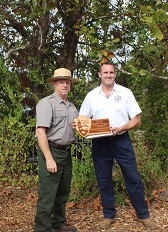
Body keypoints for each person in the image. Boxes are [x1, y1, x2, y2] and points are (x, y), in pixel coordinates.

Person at [79, 62, 157, 230]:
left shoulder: (125, 93)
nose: (108, 75)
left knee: (133, 177)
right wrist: (79, 126)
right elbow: (83, 120)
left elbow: (137, 119)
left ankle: (143, 215)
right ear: (99, 75)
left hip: (121, 140)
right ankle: (108, 214)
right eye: (105, 72)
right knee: (104, 179)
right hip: (100, 143)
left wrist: (122, 128)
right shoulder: (91, 96)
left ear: (115, 74)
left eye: (111, 72)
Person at [34, 68, 78, 232]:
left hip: (66, 153)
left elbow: (80, 129)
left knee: (62, 191)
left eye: (67, 82)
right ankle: (42, 228)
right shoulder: (47, 103)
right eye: (61, 82)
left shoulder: (72, 107)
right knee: (48, 193)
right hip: (51, 151)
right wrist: (49, 158)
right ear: (54, 83)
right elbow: (40, 132)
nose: (65, 85)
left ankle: (58, 223)